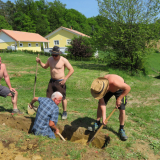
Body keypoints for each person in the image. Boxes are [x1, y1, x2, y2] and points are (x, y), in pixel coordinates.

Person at [36, 46, 74, 120]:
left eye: (55, 55)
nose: (54, 56)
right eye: (53, 54)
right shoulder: (50, 59)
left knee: (62, 97)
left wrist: (65, 79)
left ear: (59, 54)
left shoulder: (63, 60)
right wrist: (40, 62)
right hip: (52, 81)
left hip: (60, 82)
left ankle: (64, 112)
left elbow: (71, 70)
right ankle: (50, 111)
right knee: (49, 97)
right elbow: (45, 66)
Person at [89, 74, 131, 141]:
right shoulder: (99, 86)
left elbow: (128, 88)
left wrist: (119, 99)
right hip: (107, 89)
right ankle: (97, 123)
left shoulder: (115, 83)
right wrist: (104, 118)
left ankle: (121, 129)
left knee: (122, 109)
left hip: (119, 89)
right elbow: (102, 104)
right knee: (99, 105)